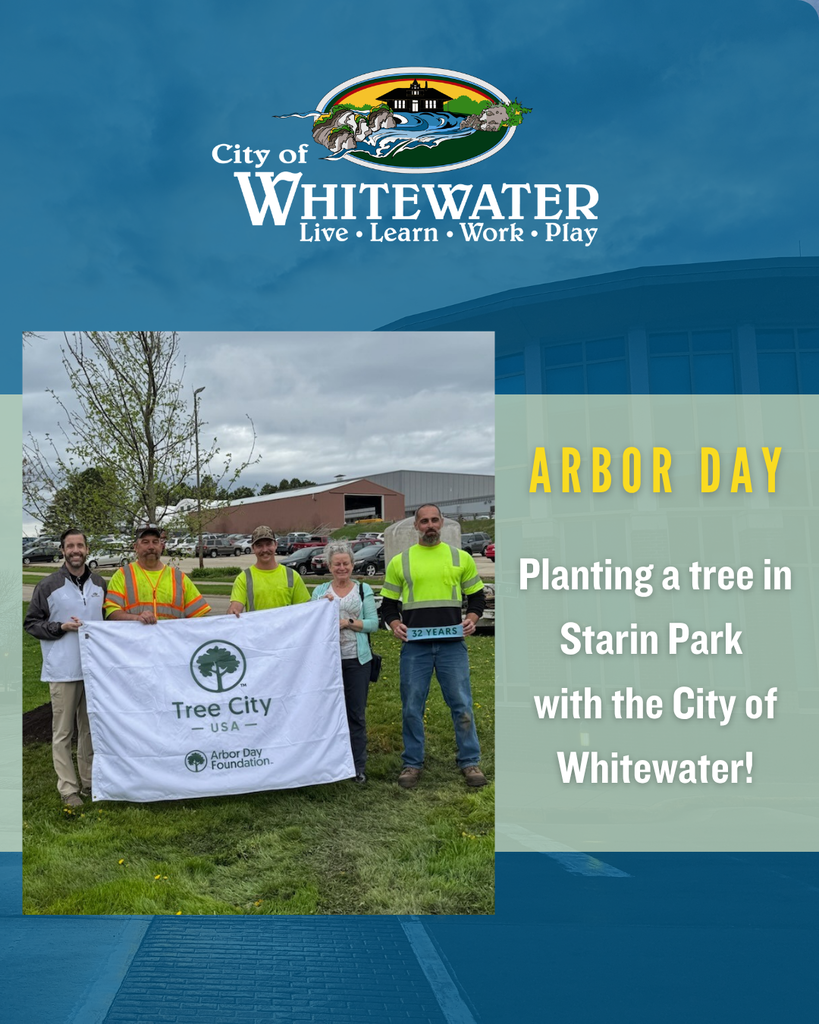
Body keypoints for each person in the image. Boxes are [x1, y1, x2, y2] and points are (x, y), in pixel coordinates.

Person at [381, 504, 489, 789]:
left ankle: (470, 761)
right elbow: (388, 605)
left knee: (462, 705)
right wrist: (395, 624)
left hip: (451, 646)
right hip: (415, 648)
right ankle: (412, 763)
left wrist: (472, 619)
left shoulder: (460, 558)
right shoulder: (400, 562)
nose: (429, 525)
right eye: (424, 521)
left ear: (441, 523)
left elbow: (477, 597)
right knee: (411, 707)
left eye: (434, 520)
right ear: (415, 526)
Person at [24, 529, 107, 807]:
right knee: (62, 732)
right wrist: (60, 627)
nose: (75, 550)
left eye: (80, 545)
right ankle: (68, 788)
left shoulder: (99, 584)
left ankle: (89, 781)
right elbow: (31, 623)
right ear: (62, 551)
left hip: (93, 670)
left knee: (89, 730)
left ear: (87, 549)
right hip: (62, 669)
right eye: (70, 546)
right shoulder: (48, 586)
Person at [312, 541, 379, 783]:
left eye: (346, 563)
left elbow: (373, 624)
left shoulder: (363, 590)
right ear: (329, 566)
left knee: (355, 714)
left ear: (352, 565)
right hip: (328, 663)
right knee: (327, 713)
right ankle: (330, 763)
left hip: (357, 661)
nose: (342, 568)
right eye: (337, 564)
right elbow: (311, 622)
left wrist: (348, 623)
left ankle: (357, 765)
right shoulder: (319, 591)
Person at [104, 524, 211, 623]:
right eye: (145, 542)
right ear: (135, 547)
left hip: (170, 638)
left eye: (155, 542)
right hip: (136, 637)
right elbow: (111, 612)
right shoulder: (123, 575)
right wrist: (136, 618)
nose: (151, 547)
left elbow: (199, 618)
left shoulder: (179, 578)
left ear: (161, 546)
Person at [228, 525, 310, 615]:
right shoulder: (244, 578)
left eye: (268, 544)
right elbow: (235, 608)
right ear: (253, 548)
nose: (264, 550)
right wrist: (233, 612)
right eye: (259, 545)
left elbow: (306, 611)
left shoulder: (292, 576)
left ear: (275, 545)